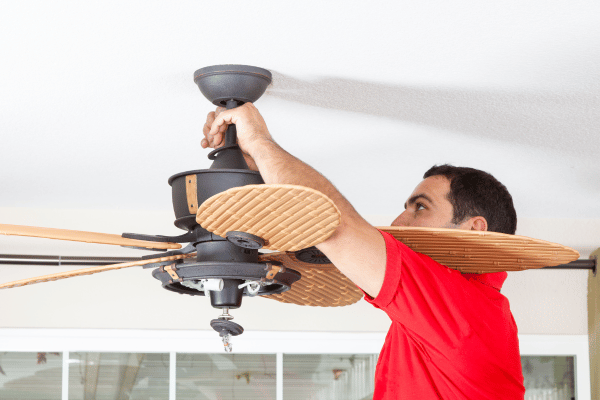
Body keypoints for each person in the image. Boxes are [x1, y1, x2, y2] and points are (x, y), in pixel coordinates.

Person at [202, 103, 526, 399]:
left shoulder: (465, 309)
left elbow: (330, 226)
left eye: (420, 208)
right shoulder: (459, 312)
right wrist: (256, 161)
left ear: (474, 228)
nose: (398, 222)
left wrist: (260, 142)